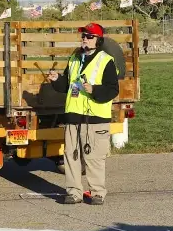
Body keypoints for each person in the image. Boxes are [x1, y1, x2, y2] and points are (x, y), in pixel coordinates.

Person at [45, 22, 120, 205]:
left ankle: (97, 193)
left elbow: (112, 89)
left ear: (98, 40)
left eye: (89, 36)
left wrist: (94, 89)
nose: (85, 39)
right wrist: (57, 79)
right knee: (71, 156)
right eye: (83, 36)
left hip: (95, 118)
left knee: (94, 158)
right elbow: (67, 85)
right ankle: (74, 193)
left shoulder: (106, 61)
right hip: (73, 117)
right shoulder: (74, 59)